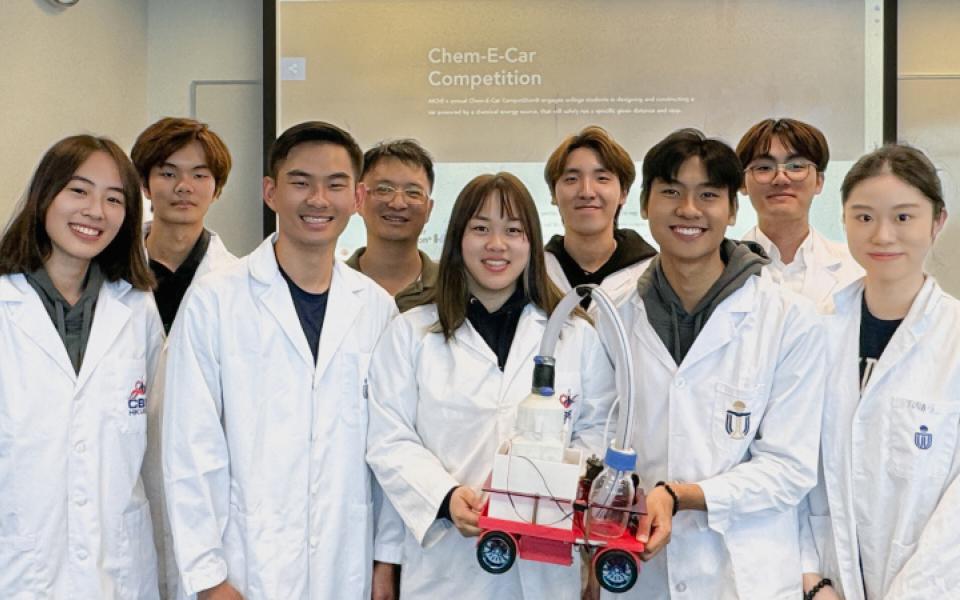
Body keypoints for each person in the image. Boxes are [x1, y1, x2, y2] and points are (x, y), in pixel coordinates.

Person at [161, 121, 399, 599]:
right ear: (270, 192)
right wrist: (208, 578)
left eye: (335, 185)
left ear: (357, 198)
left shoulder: (376, 309)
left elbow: (390, 445)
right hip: (244, 568)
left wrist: (386, 559)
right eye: (300, 182)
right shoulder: (215, 301)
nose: (318, 199)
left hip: (344, 564)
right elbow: (190, 447)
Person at [366, 172, 616, 599]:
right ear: (458, 238)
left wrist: (546, 484)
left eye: (513, 230)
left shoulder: (576, 334)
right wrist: (445, 497)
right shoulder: (411, 332)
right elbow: (390, 439)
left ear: (532, 243)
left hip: (546, 566)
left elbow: (598, 430)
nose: (496, 245)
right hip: (449, 566)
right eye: (481, 228)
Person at [615, 129, 825, 598]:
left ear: (732, 209)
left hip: (744, 573)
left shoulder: (791, 320)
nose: (689, 210)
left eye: (708, 195)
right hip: (637, 569)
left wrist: (681, 496)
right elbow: (593, 429)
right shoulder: (611, 310)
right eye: (671, 192)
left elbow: (789, 467)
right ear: (645, 205)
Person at [0, 135, 163, 598]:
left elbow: (154, 441)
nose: (96, 210)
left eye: (114, 199)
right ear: (44, 196)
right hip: (19, 565)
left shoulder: (136, 307)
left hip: (118, 567)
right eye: (79, 190)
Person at [799, 145, 957, 600]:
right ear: (844, 220)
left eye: (904, 217)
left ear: (938, 221)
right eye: (864, 217)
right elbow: (790, 466)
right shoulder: (815, 332)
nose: (883, 235)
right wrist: (814, 579)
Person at [737, 118, 862, 308]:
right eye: (764, 167)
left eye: (796, 166)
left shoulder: (857, 270)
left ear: (819, 181)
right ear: (742, 184)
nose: (780, 179)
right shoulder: (721, 270)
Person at [131, 117, 238, 334]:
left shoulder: (238, 279)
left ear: (216, 189)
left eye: (199, 175)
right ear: (144, 185)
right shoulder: (111, 273)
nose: (183, 187)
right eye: (168, 174)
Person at [543, 126, 656, 311]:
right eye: (571, 179)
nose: (587, 192)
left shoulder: (653, 276)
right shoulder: (533, 275)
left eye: (602, 178)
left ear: (624, 193)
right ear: (554, 194)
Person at [347, 139, 437, 312]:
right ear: (358, 199)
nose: (398, 204)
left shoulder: (453, 287)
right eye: (384, 189)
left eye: (413, 192)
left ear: (429, 209)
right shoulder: (331, 284)